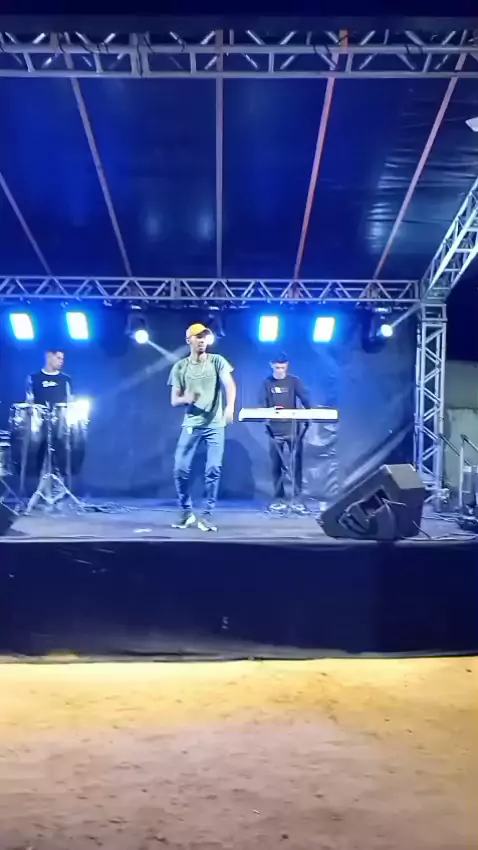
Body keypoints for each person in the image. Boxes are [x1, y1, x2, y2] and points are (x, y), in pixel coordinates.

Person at [168, 323, 236, 532]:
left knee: (213, 468)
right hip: (192, 424)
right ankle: (186, 512)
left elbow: (229, 384)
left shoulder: (217, 361)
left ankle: (206, 514)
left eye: (204, 337)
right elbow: (174, 400)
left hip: (214, 424)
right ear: (189, 340)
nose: (202, 341)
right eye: (197, 337)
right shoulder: (180, 367)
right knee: (180, 468)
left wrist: (230, 408)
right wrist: (186, 398)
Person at [260, 352, 311, 513]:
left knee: (296, 465)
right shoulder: (267, 383)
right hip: (275, 430)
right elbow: (261, 404)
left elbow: (306, 399)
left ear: (287, 366)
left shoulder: (294, 381)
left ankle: (297, 500)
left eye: (282, 367)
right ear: (271, 366)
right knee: (277, 466)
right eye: (277, 368)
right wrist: (268, 411)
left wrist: (311, 411)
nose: (280, 371)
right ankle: (279, 499)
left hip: (293, 429)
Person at [26, 350, 73, 477]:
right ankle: (40, 481)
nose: (61, 361)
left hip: (60, 423)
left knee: (61, 450)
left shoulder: (65, 379)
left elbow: (70, 401)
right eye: (58, 358)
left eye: (62, 359)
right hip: (39, 422)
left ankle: (60, 480)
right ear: (49, 357)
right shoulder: (34, 378)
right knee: (39, 450)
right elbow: (29, 400)